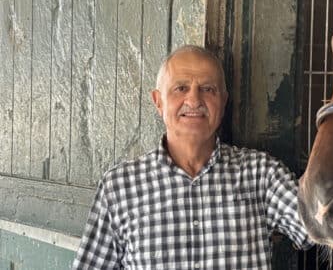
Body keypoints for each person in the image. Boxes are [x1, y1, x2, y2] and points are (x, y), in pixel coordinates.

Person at [73, 45, 311, 269]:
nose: (195, 100)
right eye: (181, 88)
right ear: (158, 101)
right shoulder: (119, 187)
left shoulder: (261, 174)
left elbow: (321, 225)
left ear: (223, 101)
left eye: (208, 89)